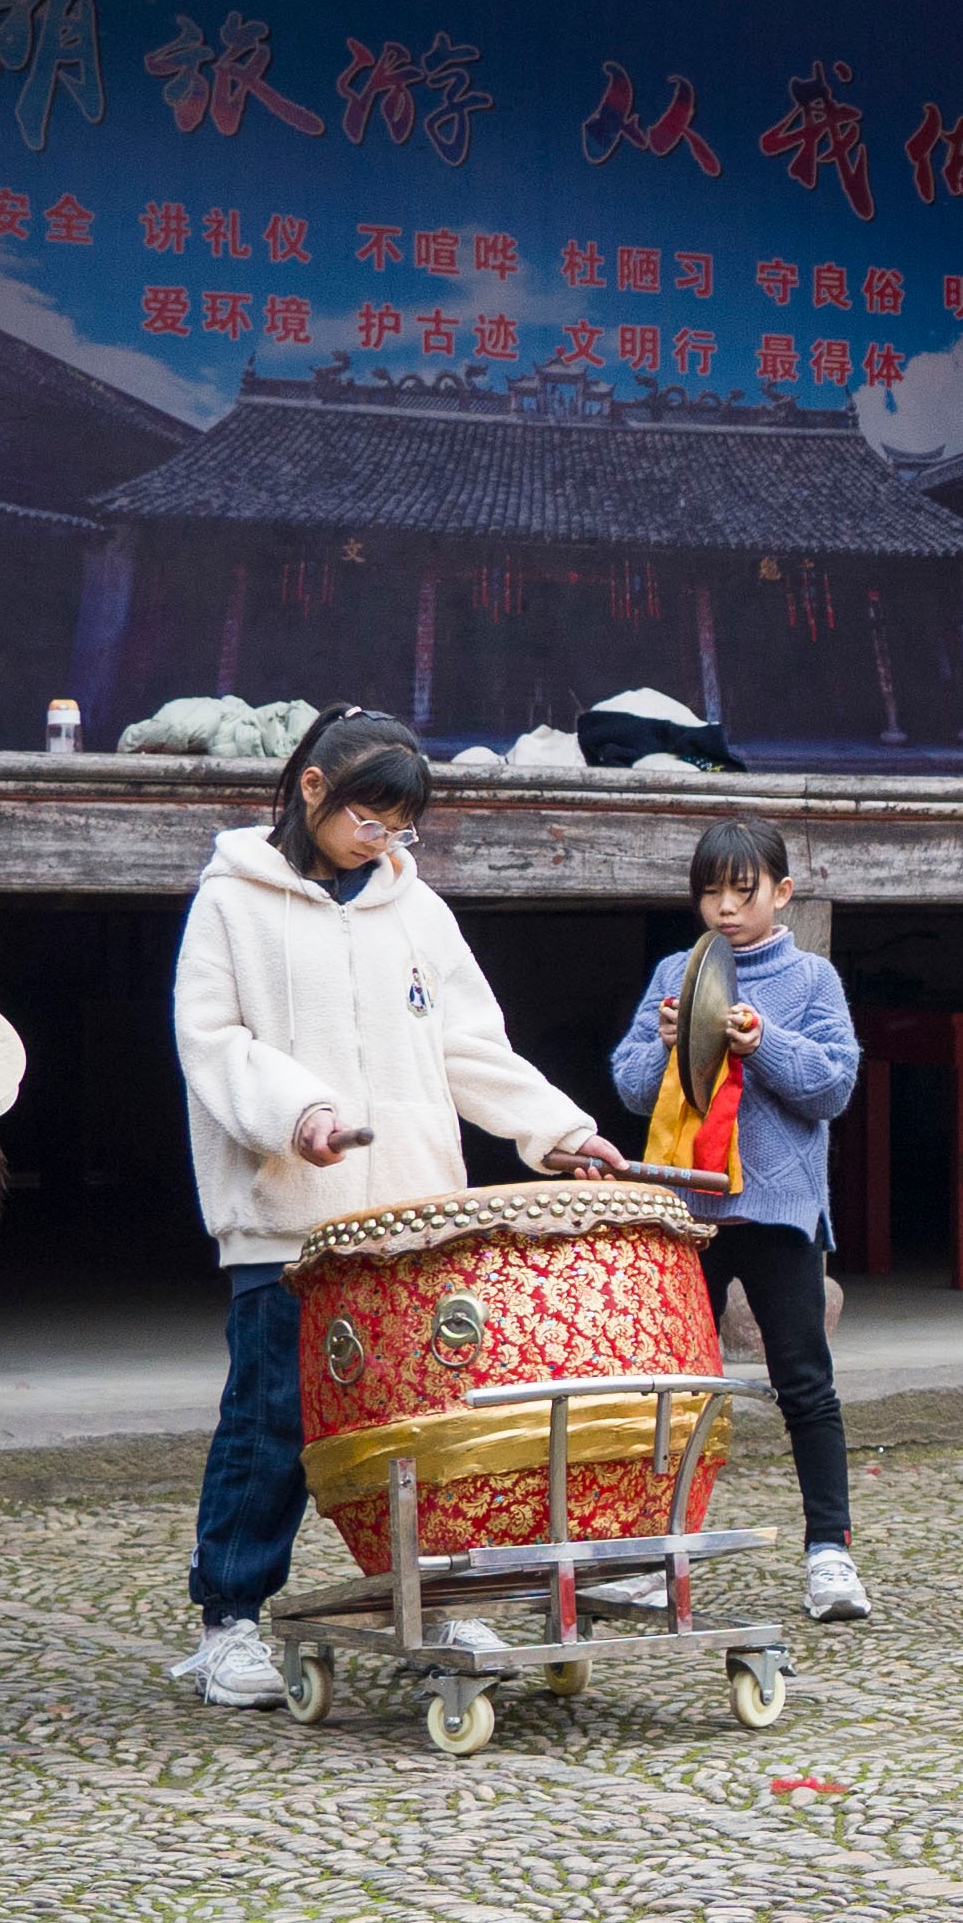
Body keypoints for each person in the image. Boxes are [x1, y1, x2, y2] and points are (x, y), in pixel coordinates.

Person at [166, 709, 616, 1705]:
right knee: (273, 1417)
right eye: (371, 818)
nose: (385, 841)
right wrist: (301, 1113)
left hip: (416, 1217)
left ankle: (440, 1592)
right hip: (289, 1215)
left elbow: (469, 1044)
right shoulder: (232, 900)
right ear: (313, 789)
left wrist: (560, 1130)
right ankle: (229, 1619)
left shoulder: (419, 912)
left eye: (401, 826)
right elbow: (214, 1043)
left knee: (431, 1420)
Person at [612, 819, 873, 1622]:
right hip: (688, 1207)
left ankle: (829, 1551)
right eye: (711, 891)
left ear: (781, 893)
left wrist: (764, 1043)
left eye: (743, 890)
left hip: (780, 1210)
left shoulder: (812, 977)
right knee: (673, 1388)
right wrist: (663, 1044)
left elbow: (833, 1086)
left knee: (805, 1382)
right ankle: (657, 1552)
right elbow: (627, 1084)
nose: (725, 907)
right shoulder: (674, 969)